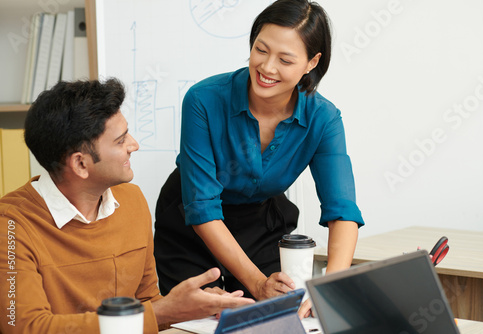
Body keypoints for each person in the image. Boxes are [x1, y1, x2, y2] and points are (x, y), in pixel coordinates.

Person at [154, 0, 365, 318]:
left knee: (279, 315)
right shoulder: (204, 99)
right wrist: (256, 282)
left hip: (260, 222)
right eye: (261, 50)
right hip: (192, 222)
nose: (267, 68)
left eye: (285, 59)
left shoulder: (323, 118)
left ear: (312, 62)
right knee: (198, 319)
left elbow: (343, 211)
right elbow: (203, 207)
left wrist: (330, 288)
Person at [0, 79, 253, 334]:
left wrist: (194, 307)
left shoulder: (131, 201)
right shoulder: (10, 225)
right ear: (80, 164)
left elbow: (146, 305)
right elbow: (24, 327)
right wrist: (162, 311)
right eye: (121, 141)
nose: (134, 145)